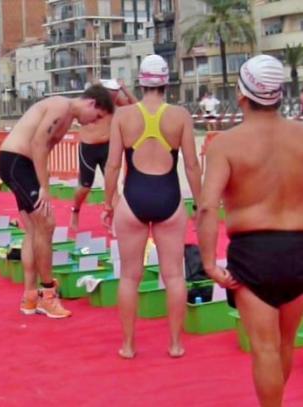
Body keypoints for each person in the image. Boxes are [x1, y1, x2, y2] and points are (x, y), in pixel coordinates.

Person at [197, 55, 303, 407]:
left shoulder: (225, 144)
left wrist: (209, 263)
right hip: (298, 247)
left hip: (254, 252)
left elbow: (207, 206)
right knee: (284, 344)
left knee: (265, 348)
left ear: (241, 94)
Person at [102, 55, 202, 359]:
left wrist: (108, 203)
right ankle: (175, 344)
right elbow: (192, 165)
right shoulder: (180, 115)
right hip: (169, 198)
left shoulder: (123, 116)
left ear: (140, 82)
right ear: (166, 82)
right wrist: (200, 203)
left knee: (129, 277)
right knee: (174, 276)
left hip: (134, 198)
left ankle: (128, 345)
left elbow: (112, 165)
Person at [0, 84, 115, 319]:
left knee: (34, 230)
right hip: (17, 161)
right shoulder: (62, 107)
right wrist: (44, 187)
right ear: (91, 103)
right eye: (96, 117)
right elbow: (38, 144)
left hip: (19, 163)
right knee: (47, 223)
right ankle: (48, 293)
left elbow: (42, 147)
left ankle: (30, 295)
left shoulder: (67, 115)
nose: (93, 123)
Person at [70, 79, 137, 231]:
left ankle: (115, 224)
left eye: (115, 94)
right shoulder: (90, 101)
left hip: (107, 146)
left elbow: (137, 108)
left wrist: (125, 88)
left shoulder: (115, 100)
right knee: (84, 187)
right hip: (88, 147)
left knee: (112, 189)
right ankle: (75, 210)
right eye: (112, 94)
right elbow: (73, 110)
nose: (114, 98)